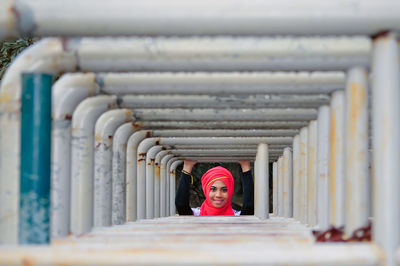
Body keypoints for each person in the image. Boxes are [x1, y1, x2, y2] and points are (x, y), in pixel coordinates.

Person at [175, 160, 254, 216]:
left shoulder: (237, 217)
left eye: (224, 190)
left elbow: (249, 206)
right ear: (206, 190)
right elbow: (181, 204)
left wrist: (245, 167)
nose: (218, 195)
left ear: (230, 191)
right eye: (213, 189)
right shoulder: (197, 214)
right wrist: (187, 167)